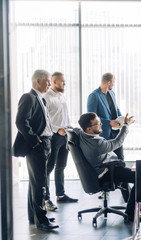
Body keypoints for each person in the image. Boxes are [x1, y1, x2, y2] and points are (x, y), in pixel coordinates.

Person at [74, 112, 141, 222]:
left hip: (98, 171)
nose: (101, 124)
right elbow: (117, 142)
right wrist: (126, 125)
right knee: (140, 178)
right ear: (88, 128)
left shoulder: (81, 134)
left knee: (131, 170)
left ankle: (132, 205)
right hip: (107, 173)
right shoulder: (97, 144)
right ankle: (130, 214)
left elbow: (76, 130)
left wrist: (68, 130)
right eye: (97, 123)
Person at [12, 69, 59, 230]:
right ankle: (42, 221)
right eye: (47, 80)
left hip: (45, 143)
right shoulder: (29, 97)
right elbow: (20, 121)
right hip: (37, 146)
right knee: (40, 184)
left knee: (36, 183)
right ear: (37, 81)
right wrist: (35, 141)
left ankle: (35, 218)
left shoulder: (41, 99)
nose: (49, 83)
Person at [87, 73, 130, 201]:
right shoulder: (94, 96)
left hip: (115, 133)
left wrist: (124, 120)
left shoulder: (112, 94)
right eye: (114, 82)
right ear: (109, 82)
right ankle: (105, 189)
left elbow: (116, 111)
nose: (114, 85)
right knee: (106, 164)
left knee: (121, 162)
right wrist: (108, 122)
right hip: (103, 136)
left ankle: (126, 197)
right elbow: (91, 117)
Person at [43, 72, 78, 212]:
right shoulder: (47, 98)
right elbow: (46, 120)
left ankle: (61, 194)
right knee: (49, 168)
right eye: (62, 81)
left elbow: (64, 115)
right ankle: (46, 199)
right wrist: (58, 130)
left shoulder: (61, 96)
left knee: (61, 166)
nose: (65, 84)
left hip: (65, 135)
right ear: (54, 82)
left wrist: (68, 126)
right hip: (53, 136)